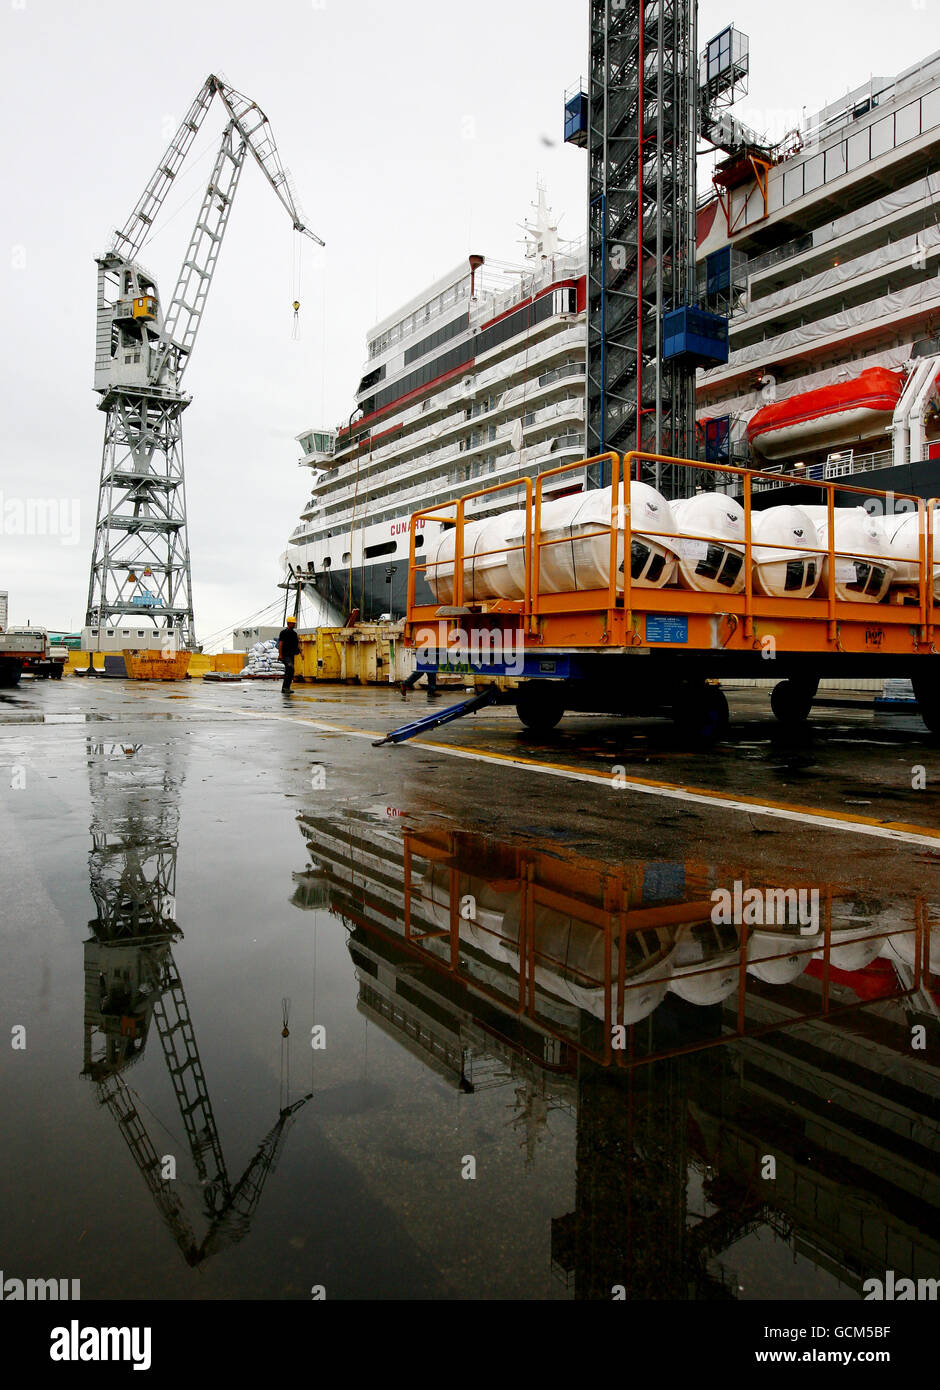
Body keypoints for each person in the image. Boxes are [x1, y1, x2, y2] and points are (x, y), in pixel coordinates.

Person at [278, 615, 300, 694]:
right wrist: (280, 655)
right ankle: (285, 688)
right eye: (293, 623)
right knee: (290, 668)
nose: (294, 624)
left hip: (291, 655)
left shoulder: (294, 634)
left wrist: (301, 652)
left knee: (290, 671)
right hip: (285, 655)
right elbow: (280, 644)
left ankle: (286, 688)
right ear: (288, 623)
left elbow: (298, 644)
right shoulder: (283, 633)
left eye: (294, 623)